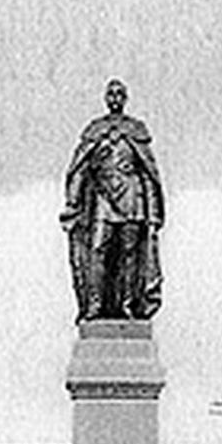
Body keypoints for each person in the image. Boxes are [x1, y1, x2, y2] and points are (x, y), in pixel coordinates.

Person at [61, 79, 166, 321]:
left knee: (129, 254)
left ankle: (129, 305)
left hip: (132, 199)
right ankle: (94, 305)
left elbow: (148, 175)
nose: (115, 98)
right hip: (103, 201)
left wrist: (152, 214)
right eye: (111, 94)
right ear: (106, 98)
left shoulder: (136, 130)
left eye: (120, 94)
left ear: (125, 98)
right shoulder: (95, 130)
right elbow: (80, 169)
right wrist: (73, 203)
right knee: (98, 250)